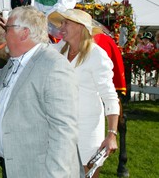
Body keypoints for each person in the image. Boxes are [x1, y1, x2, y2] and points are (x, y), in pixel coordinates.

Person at [0, 6, 81, 177]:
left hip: (38, 170)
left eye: (7, 29)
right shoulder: (16, 62)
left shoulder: (54, 66)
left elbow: (64, 131)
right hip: (14, 165)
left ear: (24, 33)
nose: (3, 33)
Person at [48, 9, 120, 177]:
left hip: (87, 131)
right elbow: (34, 48)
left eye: (66, 23)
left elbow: (110, 97)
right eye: (61, 23)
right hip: (59, 130)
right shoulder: (59, 50)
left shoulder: (97, 56)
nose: (61, 27)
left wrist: (112, 135)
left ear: (81, 27)